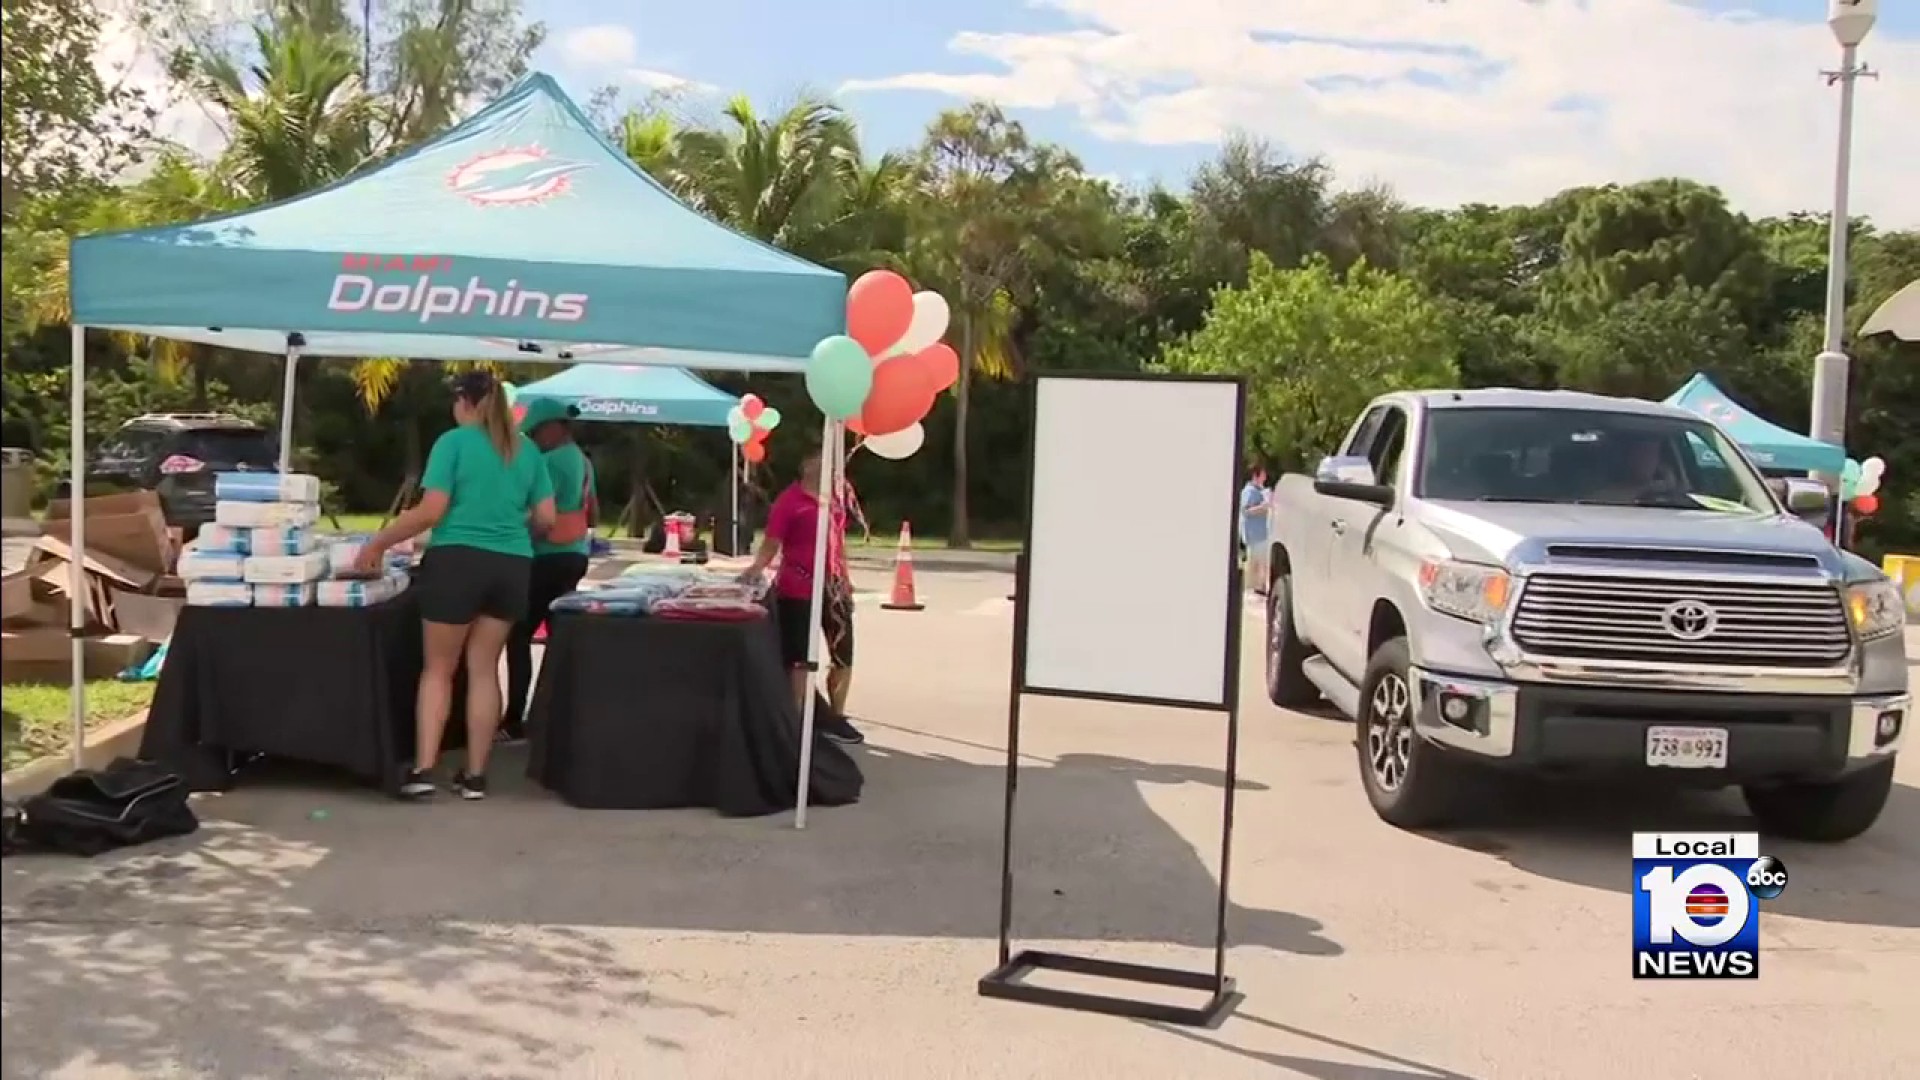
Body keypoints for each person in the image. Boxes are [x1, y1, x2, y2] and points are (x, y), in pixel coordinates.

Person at [355, 371, 555, 801]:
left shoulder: (453, 443)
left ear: (465, 401)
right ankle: (476, 775)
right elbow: (547, 519)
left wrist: (378, 543)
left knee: (439, 670)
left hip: (457, 561)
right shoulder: (528, 449)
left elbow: (432, 510)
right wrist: (512, 534)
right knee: (485, 668)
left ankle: (425, 767)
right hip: (512, 564)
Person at [738, 447, 863, 745]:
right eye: (820, 458)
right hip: (798, 588)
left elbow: (838, 543)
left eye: (830, 461)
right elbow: (772, 543)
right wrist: (756, 568)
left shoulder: (834, 500)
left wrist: (846, 579)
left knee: (843, 654)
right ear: (805, 465)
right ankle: (795, 721)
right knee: (801, 660)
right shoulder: (789, 501)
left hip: (833, 588)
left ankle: (836, 715)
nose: (827, 465)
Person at [501, 396, 596, 743]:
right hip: (575, 554)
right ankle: (557, 714)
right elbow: (594, 512)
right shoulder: (584, 461)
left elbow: (541, 516)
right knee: (559, 635)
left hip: (545, 555)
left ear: (555, 427)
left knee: (518, 634)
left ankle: (514, 719)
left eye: (538, 431)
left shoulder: (549, 462)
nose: (535, 440)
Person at [1240, 464, 1271, 594]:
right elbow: (1246, 511)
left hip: (1262, 533)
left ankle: (1260, 587)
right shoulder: (1250, 491)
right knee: (1255, 563)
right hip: (1254, 534)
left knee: (1262, 563)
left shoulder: (1261, 490)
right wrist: (1263, 507)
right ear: (1256, 475)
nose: (1265, 477)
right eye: (1262, 474)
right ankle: (1254, 588)